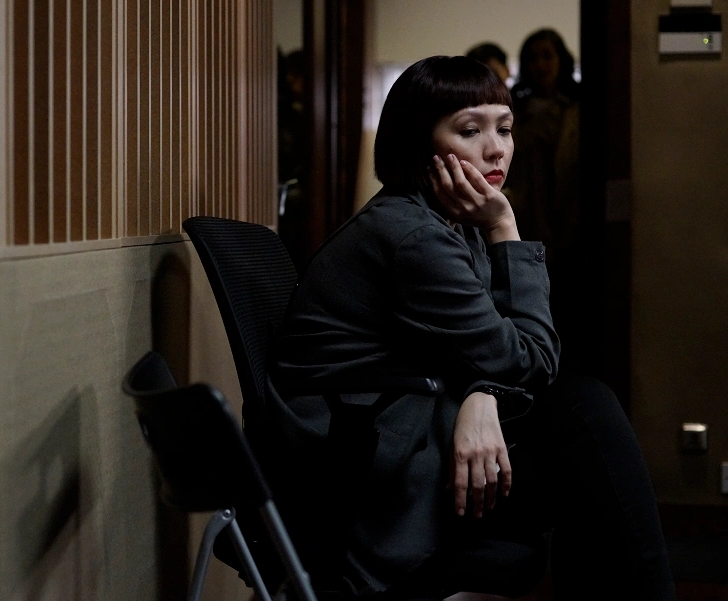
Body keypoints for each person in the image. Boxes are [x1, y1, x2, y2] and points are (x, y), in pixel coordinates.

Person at [263, 56, 674, 599]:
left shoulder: (444, 220)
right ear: (421, 144)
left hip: (405, 423)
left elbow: (495, 351)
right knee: (584, 421)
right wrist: (506, 225)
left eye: (504, 128)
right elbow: (531, 360)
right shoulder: (415, 236)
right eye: (470, 130)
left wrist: (484, 392)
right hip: (363, 469)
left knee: (585, 436)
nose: (496, 147)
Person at [504, 29, 582, 367]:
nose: (540, 65)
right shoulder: (514, 110)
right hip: (524, 215)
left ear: (561, 59)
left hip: (569, 217)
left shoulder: (578, 107)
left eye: (547, 56)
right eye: (533, 57)